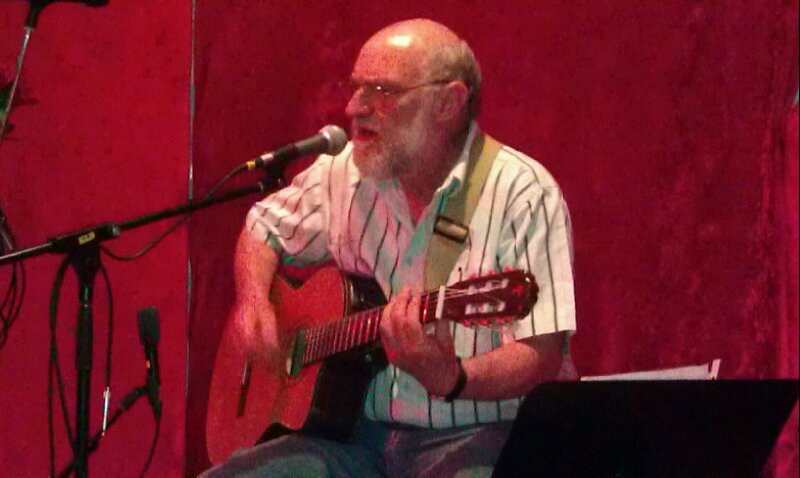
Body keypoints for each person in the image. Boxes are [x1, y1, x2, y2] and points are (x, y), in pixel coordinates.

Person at [202, 18, 576, 478]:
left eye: (381, 91)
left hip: (477, 435)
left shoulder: (523, 192)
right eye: (356, 87)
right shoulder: (342, 173)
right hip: (351, 438)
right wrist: (254, 301)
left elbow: (542, 353)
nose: (353, 107)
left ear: (448, 103)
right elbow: (263, 228)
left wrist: (455, 378)